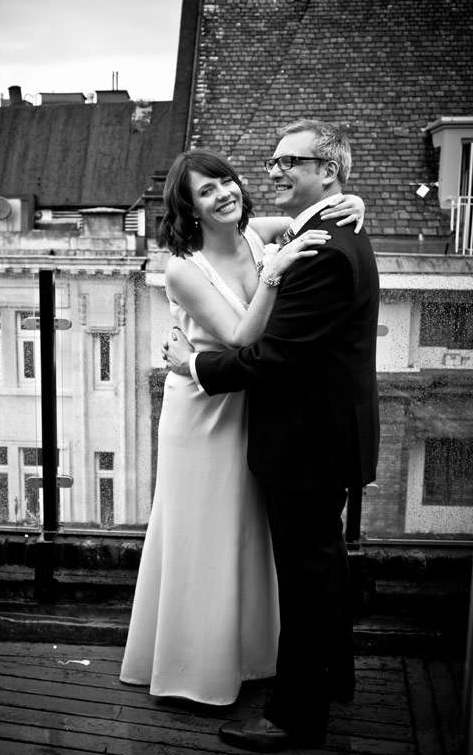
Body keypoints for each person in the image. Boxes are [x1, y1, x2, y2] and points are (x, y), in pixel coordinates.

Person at [119, 144, 366, 706]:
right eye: (205, 191)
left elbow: (317, 212)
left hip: (249, 402)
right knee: (204, 533)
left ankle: (253, 658)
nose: (223, 194)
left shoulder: (260, 231)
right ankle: (195, 670)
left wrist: (353, 201)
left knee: (247, 532)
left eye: (225, 181)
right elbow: (239, 338)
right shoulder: (184, 269)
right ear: (190, 210)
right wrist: (273, 275)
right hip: (203, 411)